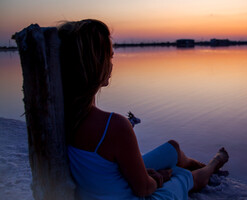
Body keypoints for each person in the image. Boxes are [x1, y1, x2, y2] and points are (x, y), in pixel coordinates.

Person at [58, 19, 229, 200]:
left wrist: (145, 174)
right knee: (183, 177)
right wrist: (159, 178)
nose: (111, 65)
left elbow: (101, 165)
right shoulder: (114, 126)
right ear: (96, 65)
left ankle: (198, 165)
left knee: (172, 148)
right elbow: (144, 189)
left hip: (106, 185)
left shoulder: (66, 116)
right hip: (130, 195)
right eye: (110, 57)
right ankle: (213, 164)